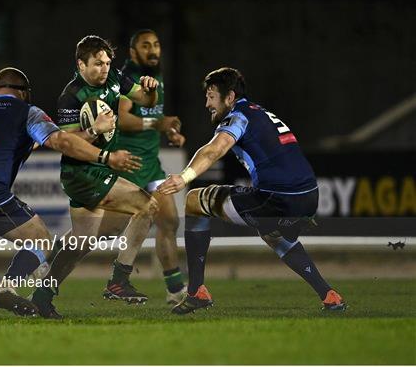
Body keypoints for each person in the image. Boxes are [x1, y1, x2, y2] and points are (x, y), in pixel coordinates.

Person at [0, 67, 140, 323]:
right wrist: (104, 154)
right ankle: (6, 287)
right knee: (41, 240)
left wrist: (91, 131)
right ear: (23, 93)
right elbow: (60, 142)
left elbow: (33, 141)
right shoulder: (26, 111)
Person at [158, 67, 347, 314]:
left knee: (195, 200)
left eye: (211, 95)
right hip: (308, 196)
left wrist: (185, 177)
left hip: (278, 197)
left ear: (230, 97)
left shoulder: (238, 116)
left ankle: (196, 292)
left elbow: (215, 149)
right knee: (272, 234)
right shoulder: (261, 113)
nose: (207, 103)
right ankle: (329, 295)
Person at [29, 35, 160, 318]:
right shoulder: (71, 95)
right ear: (81, 64)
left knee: (88, 239)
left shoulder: (113, 76)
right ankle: (119, 280)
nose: (104, 68)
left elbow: (145, 99)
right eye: (98, 63)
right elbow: (66, 141)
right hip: (82, 172)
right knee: (147, 207)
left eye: (107, 62)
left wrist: (151, 88)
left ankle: (43, 293)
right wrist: (95, 130)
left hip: (98, 170)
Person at [116, 29, 187, 304]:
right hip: (127, 164)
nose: (153, 50)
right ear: (133, 52)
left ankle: (174, 289)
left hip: (151, 167)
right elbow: (121, 119)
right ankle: (50, 271)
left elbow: (152, 118)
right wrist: (159, 124)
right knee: (100, 232)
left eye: (157, 44)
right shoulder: (128, 78)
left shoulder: (155, 78)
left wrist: (169, 132)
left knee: (168, 221)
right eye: (146, 45)